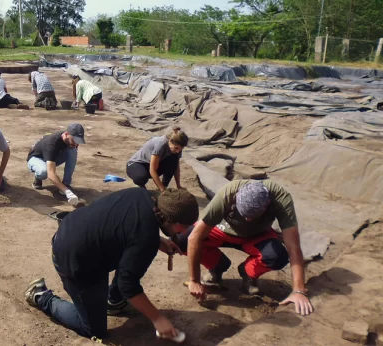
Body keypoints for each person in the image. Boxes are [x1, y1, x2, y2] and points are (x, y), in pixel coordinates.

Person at [24, 188, 199, 340]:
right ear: (169, 219)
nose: (184, 232)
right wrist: (158, 319)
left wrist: (159, 240)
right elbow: (128, 284)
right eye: (183, 227)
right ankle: (41, 296)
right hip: (72, 258)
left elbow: (125, 225)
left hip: (76, 233)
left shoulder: (142, 195)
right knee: (94, 330)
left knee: (133, 260)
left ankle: (114, 302)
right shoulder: (145, 238)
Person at [179, 180, 314, 316]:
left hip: (257, 235)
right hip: (221, 230)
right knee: (182, 240)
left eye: (253, 216)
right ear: (237, 197)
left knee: (278, 256)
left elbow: (294, 247)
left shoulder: (281, 199)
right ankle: (217, 266)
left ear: (267, 204)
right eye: (244, 214)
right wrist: (194, 280)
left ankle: (248, 273)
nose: (248, 219)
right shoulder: (227, 194)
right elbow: (194, 238)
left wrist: (299, 291)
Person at [27, 123, 85, 206]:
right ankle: (38, 177)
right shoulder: (52, 144)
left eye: (78, 142)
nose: (76, 144)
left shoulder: (70, 141)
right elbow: (51, 174)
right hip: (36, 158)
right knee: (44, 172)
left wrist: (65, 188)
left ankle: (66, 184)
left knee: (73, 151)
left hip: (52, 157)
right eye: (74, 140)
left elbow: (71, 147)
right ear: (66, 134)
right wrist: (67, 192)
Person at [126, 127, 188, 191]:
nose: (178, 151)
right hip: (137, 164)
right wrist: (162, 189)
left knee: (173, 159)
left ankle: (164, 185)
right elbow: (152, 170)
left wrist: (178, 185)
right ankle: (141, 187)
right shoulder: (160, 144)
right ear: (170, 141)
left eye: (181, 149)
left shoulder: (177, 149)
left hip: (152, 165)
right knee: (141, 178)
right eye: (176, 148)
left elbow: (176, 167)